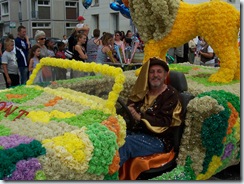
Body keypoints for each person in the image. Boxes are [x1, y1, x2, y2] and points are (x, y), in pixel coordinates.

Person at [119, 57, 182, 167]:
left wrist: (140, 117)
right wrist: (130, 110)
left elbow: (165, 122)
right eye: (151, 72)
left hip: (159, 140)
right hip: (137, 132)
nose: (155, 75)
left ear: (165, 75)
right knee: (114, 136)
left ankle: (109, 177)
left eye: (159, 72)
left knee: (126, 143)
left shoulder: (171, 94)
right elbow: (131, 107)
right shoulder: (143, 91)